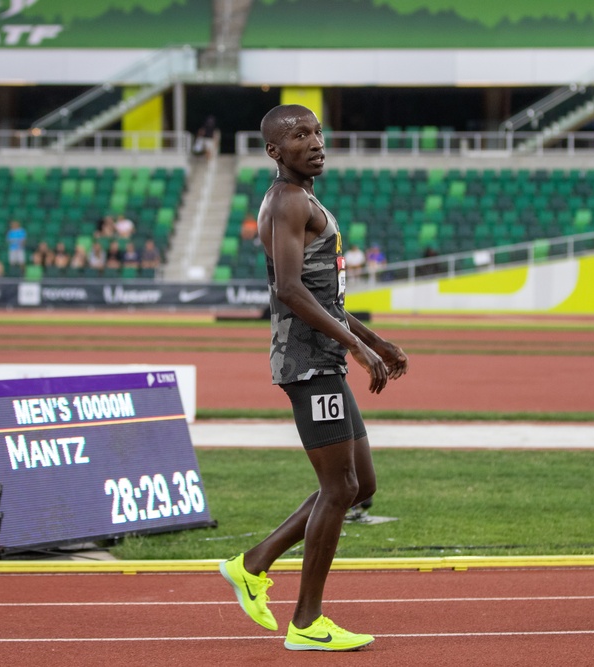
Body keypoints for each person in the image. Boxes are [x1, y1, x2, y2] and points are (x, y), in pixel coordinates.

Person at [219, 104, 408, 653]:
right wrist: (354, 348)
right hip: (308, 363)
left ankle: (252, 564)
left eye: (318, 132)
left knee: (360, 485)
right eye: (299, 135)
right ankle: (306, 622)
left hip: (324, 357)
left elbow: (324, 295)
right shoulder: (286, 201)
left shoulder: (304, 199)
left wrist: (375, 341)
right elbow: (289, 291)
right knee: (340, 487)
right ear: (275, 151)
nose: (316, 142)